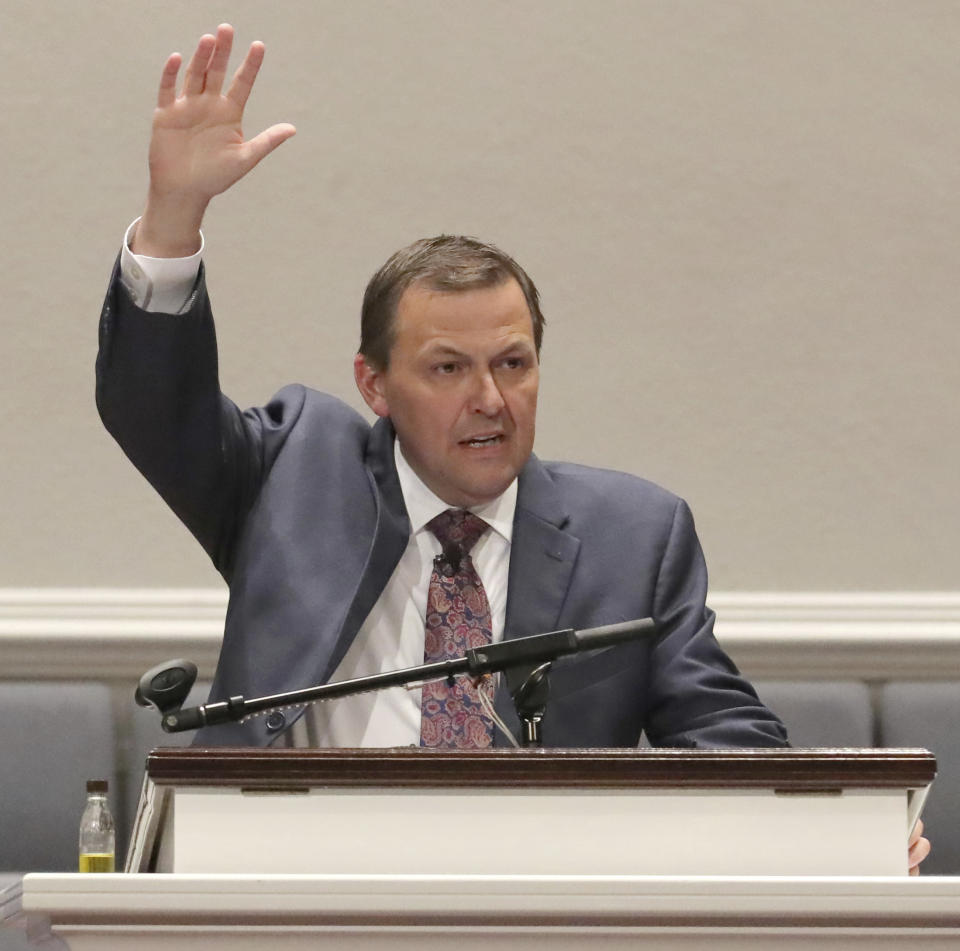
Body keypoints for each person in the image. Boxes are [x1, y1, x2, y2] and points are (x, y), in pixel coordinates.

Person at [96, 24, 929, 867]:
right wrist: (174, 219)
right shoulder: (291, 473)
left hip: (536, 894)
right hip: (292, 878)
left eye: (513, 363)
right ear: (374, 384)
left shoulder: (634, 534)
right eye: (449, 367)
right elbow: (152, 409)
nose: (490, 398)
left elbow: (722, 731)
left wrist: (832, 833)